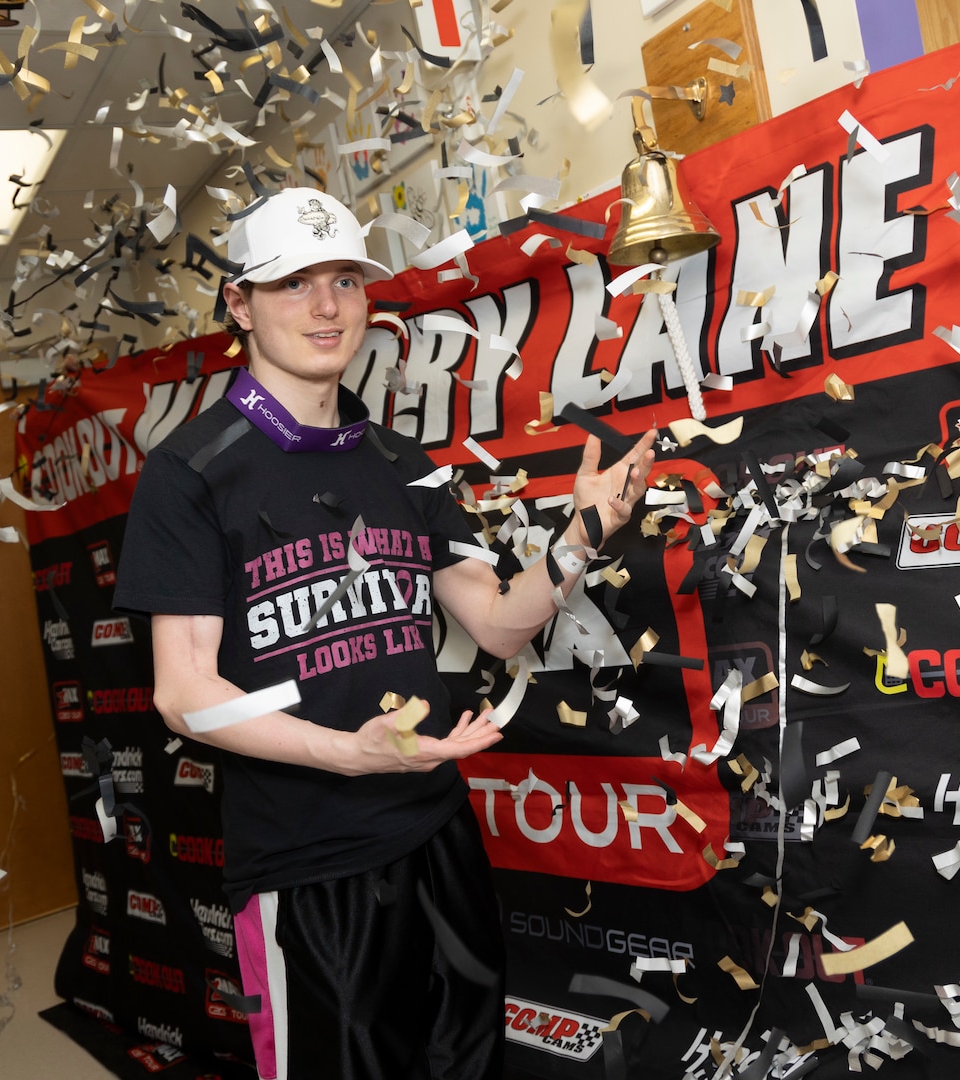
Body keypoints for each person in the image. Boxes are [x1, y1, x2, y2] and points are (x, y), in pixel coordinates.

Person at [113, 187, 655, 1080]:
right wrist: (344, 753)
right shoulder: (189, 472)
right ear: (239, 306)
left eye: (344, 281)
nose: (327, 308)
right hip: (306, 859)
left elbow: (495, 625)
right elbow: (184, 694)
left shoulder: (401, 463)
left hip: (435, 832)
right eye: (293, 284)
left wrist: (575, 544)